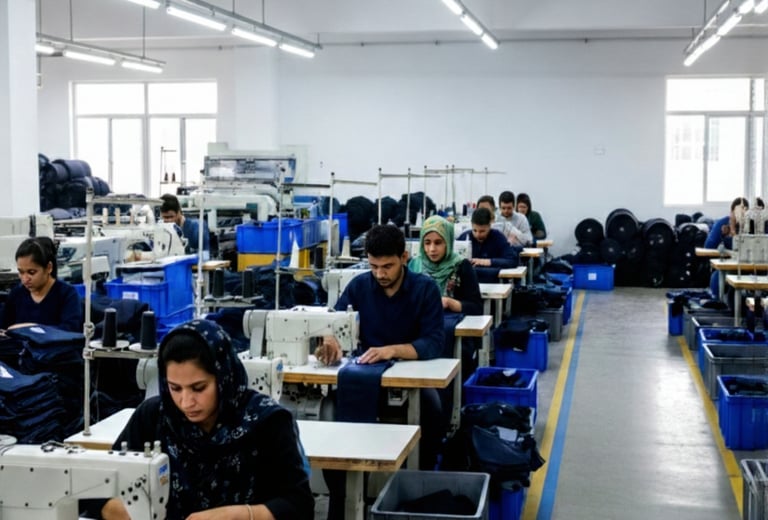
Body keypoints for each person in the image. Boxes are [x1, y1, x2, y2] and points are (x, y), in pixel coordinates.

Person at [95, 319, 314, 520]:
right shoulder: (153, 416)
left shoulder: (269, 422)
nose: (186, 402)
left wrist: (242, 515)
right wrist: (114, 509)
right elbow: (98, 488)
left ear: (223, 377)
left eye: (198, 388)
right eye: (175, 388)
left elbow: (299, 506)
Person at [315, 224, 445, 519]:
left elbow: (434, 342)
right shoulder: (359, 287)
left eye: (387, 266)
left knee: (432, 411)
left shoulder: (425, 289)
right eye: (374, 266)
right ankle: (342, 500)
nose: (380, 274)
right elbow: (335, 321)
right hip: (364, 378)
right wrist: (330, 340)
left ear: (404, 257)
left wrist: (392, 350)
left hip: (411, 379)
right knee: (330, 414)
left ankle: (412, 496)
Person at [409, 215, 482, 380]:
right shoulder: (414, 265)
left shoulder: (461, 266)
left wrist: (449, 302)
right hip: (419, 332)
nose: (432, 249)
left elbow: (476, 308)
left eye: (438, 243)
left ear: (448, 242)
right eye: (427, 243)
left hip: (455, 336)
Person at [1, 237, 82, 332]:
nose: (25, 279)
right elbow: (4, 326)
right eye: (21, 272)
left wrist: (32, 328)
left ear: (48, 268)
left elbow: (69, 329)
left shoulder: (66, 294)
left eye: (31, 272)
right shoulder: (17, 294)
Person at [457, 207, 519, 283]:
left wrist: (487, 262)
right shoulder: (464, 237)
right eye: (475, 230)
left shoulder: (498, 237)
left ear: (489, 226)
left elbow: (512, 261)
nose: (477, 235)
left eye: (482, 231)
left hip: (494, 283)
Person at [704, 197, 748, 300]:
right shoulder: (722, 224)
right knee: (716, 280)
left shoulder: (751, 225)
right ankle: (720, 303)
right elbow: (708, 247)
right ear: (731, 212)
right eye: (737, 212)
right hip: (730, 267)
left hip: (749, 267)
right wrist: (725, 232)